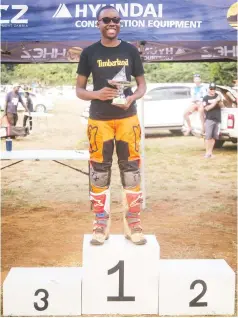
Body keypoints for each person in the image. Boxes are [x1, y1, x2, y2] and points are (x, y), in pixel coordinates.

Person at [76, 5, 147, 246]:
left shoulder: (130, 51)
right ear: (98, 23)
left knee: (131, 170)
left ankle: (133, 222)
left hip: (128, 119)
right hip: (99, 121)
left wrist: (131, 98)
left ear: (120, 23)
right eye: (106, 19)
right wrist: (98, 94)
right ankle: (100, 222)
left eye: (116, 19)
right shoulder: (89, 53)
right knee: (99, 172)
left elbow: (141, 87)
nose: (112, 23)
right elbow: (79, 91)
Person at [202, 82, 224, 158]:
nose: (212, 90)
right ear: (208, 89)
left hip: (217, 119)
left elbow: (222, 106)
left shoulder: (217, 96)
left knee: (214, 137)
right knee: (208, 137)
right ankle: (206, 153)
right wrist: (215, 101)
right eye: (211, 89)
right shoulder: (205, 98)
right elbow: (207, 108)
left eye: (214, 89)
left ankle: (210, 153)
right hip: (209, 119)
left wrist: (220, 100)